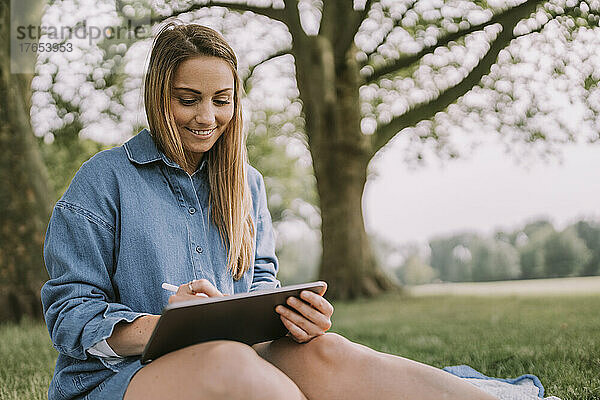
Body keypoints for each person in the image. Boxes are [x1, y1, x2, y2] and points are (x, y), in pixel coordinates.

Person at [41, 22, 498, 400]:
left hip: (239, 353)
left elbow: (260, 284)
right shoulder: (103, 180)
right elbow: (69, 316)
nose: (206, 117)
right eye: (187, 99)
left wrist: (289, 317)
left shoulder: (248, 183)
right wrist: (170, 327)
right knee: (228, 359)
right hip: (118, 379)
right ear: (158, 96)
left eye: (221, 100)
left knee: (326, 350)